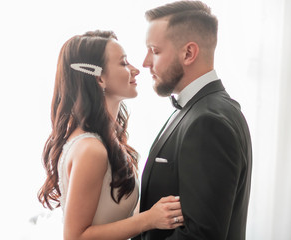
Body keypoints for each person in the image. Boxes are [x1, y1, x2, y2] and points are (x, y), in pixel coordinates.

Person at [37, 30, 184, 240]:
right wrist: (149, 219)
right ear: (99, 78)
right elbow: (75, 237)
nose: (135, 70)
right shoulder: (91, 149)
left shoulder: (103, 141)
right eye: (124, 63)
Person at [134, 1, 252, 240]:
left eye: (155, 51)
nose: (145, 62)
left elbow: (200, 236)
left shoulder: (208, 122)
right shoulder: (199, 109)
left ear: (188, 53)